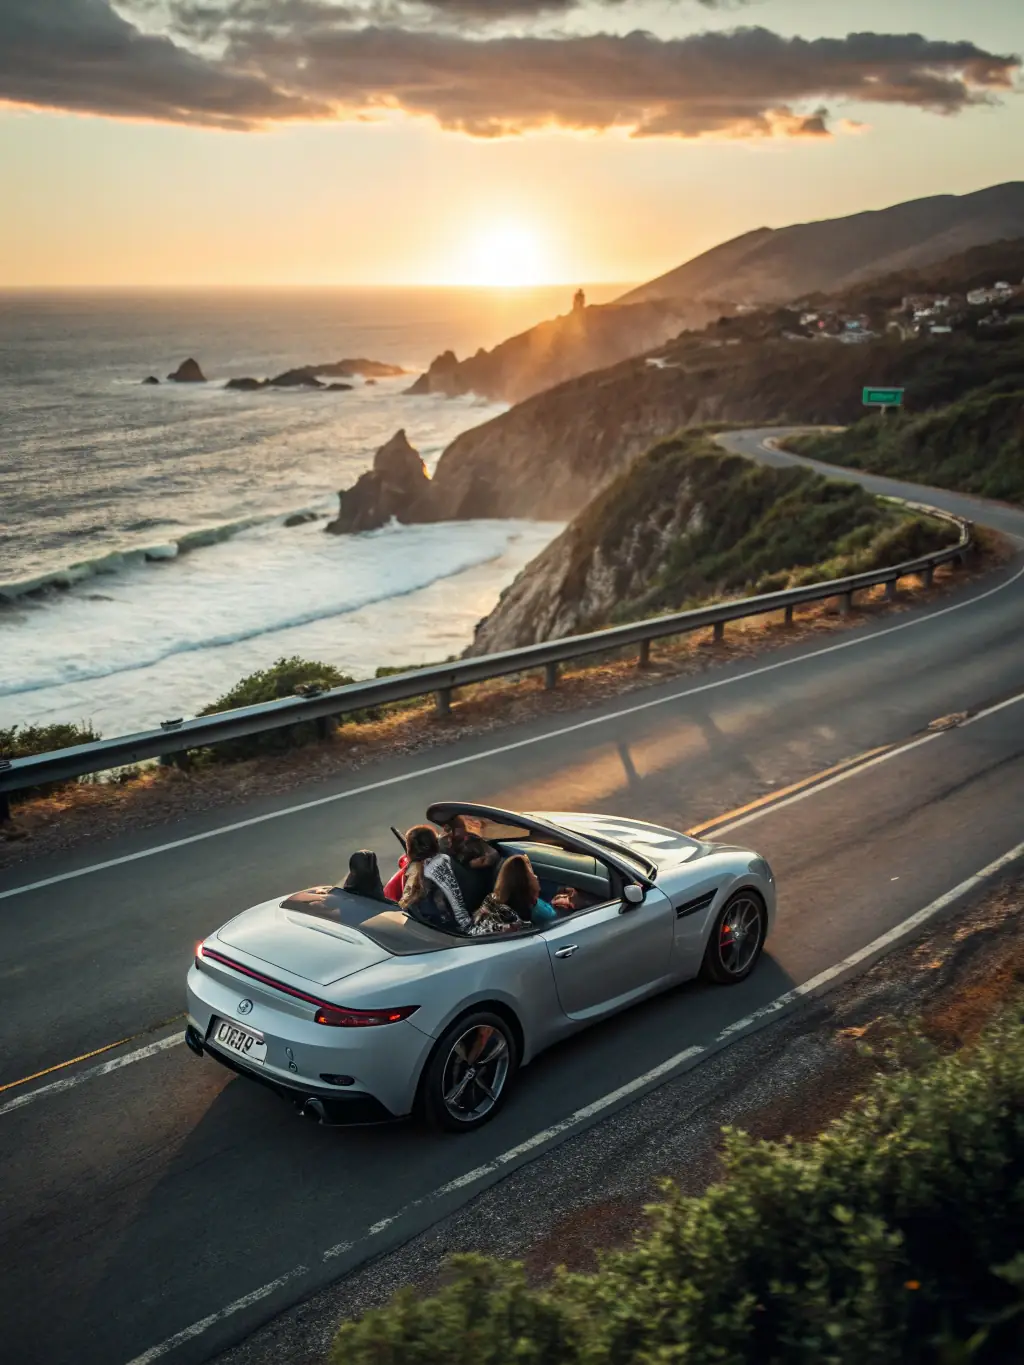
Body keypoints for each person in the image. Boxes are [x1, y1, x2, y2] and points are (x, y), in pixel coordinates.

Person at [398, 824, 472, 932]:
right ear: (434, 843)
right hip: (447, 928)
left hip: (429, 927)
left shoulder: (416, 869)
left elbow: (405, 905)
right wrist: (468, 927)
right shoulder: (439, 863)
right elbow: (455, 897)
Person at [469, 853, 556, 935]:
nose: (535, 876)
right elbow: (553, 917)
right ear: (528, 882)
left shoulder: (491, 899)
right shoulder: (533, 912)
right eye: (531, 873)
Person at [440, 815, 502, 911]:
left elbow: (493, 854)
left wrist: (483, 861)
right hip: (461, 891)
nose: (451, 834)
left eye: (457, 828)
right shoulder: (442, 846)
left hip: (475, 886)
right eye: (447, 830)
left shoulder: (472, 840)